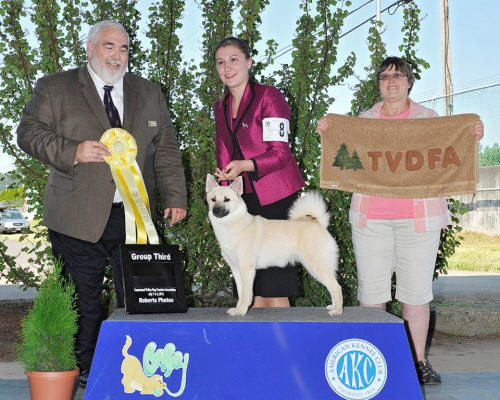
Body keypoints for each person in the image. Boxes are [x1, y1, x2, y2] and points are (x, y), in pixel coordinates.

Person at [17, 21, 187, 387]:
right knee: (84, 302)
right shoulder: (55, 87)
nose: (117, 55)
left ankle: (144, 372)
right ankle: (89, 376)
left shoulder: (149, 91)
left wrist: (175, 196)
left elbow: (167, 148)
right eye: (109, 46)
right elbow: (27, 133)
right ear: (90, 48)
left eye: (124, 48)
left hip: (134, 216)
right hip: (75, 218)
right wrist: (72, 151)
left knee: (141, 298)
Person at [317, 56, 484, 385]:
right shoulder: (363, 121)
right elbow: (344, 155)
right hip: (370, 221)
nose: (391, 81)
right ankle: (375, 361)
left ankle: (418, 361)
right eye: (384, 77)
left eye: (398, 76)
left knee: (416, 295)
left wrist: (471, 133)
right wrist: (329, 131)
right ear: (378, 84)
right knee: (372, 295)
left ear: (409, 82)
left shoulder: (429, 119)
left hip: (418, 222)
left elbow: (452, 147)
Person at [213, 37, 305, 308]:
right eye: (220, 62)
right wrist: (223, 185)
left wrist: (244, 166)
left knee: (276, 285)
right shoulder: (220, 106)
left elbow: (280, 153)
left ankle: (285, 347)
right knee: (248, 283)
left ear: (248, 62)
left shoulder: (269, 96)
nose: (227, 67)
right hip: (241, 202)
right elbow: (223, 153)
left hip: (276, 197)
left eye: (234, 60)